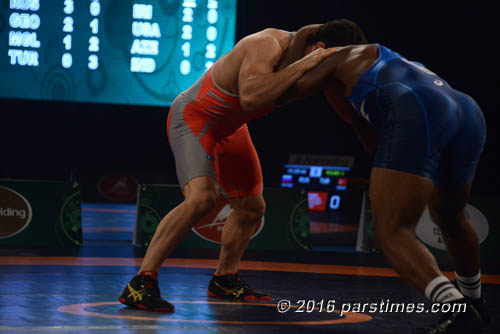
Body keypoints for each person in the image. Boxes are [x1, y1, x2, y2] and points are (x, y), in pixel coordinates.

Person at [278, 19, 488, 333]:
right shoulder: (381, 59)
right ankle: (476, 303)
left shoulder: (334, 57)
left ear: (321, 49)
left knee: (391, 233)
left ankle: (458, 311)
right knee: (450, 216)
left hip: (419, 107)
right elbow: (368, 138)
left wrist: (303, 42)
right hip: (466, 112)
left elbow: (284, 90)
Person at [119, 24, 337, 312]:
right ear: (318, 48)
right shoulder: (267, 43)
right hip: (195, 116)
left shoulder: (308, 59)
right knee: (202, 198)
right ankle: (141, 282)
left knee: (251, 207)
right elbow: (250, 97)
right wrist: (306, 64)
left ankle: (224, 279)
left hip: (231, 128)